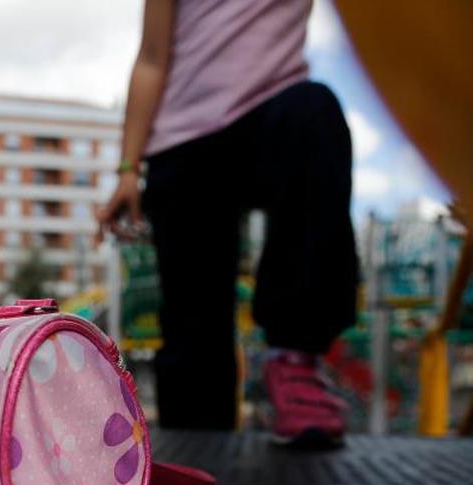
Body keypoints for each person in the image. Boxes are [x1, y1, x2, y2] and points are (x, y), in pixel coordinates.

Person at [96, 0, 359, 448]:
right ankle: (196, 438)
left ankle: (294, 357)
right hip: (184, 140)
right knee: (193, 323)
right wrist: (127, 169)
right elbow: (152, 57)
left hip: (274, 118)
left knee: (316, 111)